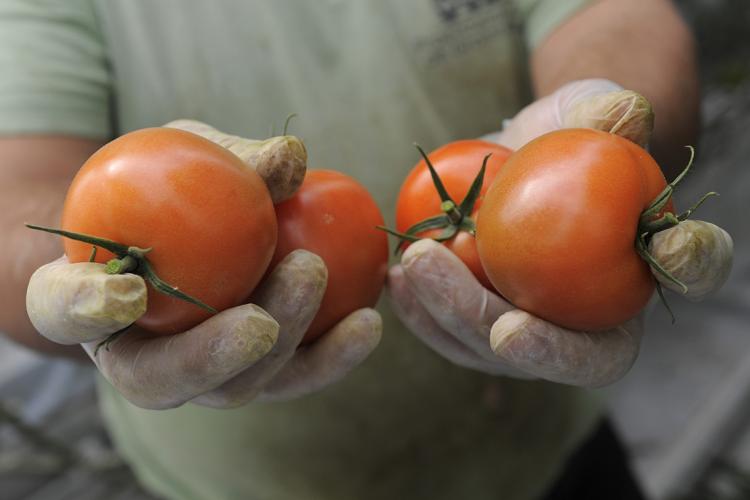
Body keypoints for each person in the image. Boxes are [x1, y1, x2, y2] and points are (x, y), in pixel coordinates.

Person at [0, 1, 727, 499]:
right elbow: (14, 195)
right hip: (239, 485)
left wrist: (592, 122)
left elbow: (611, 12)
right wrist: (71, 289)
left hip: (540, 454)